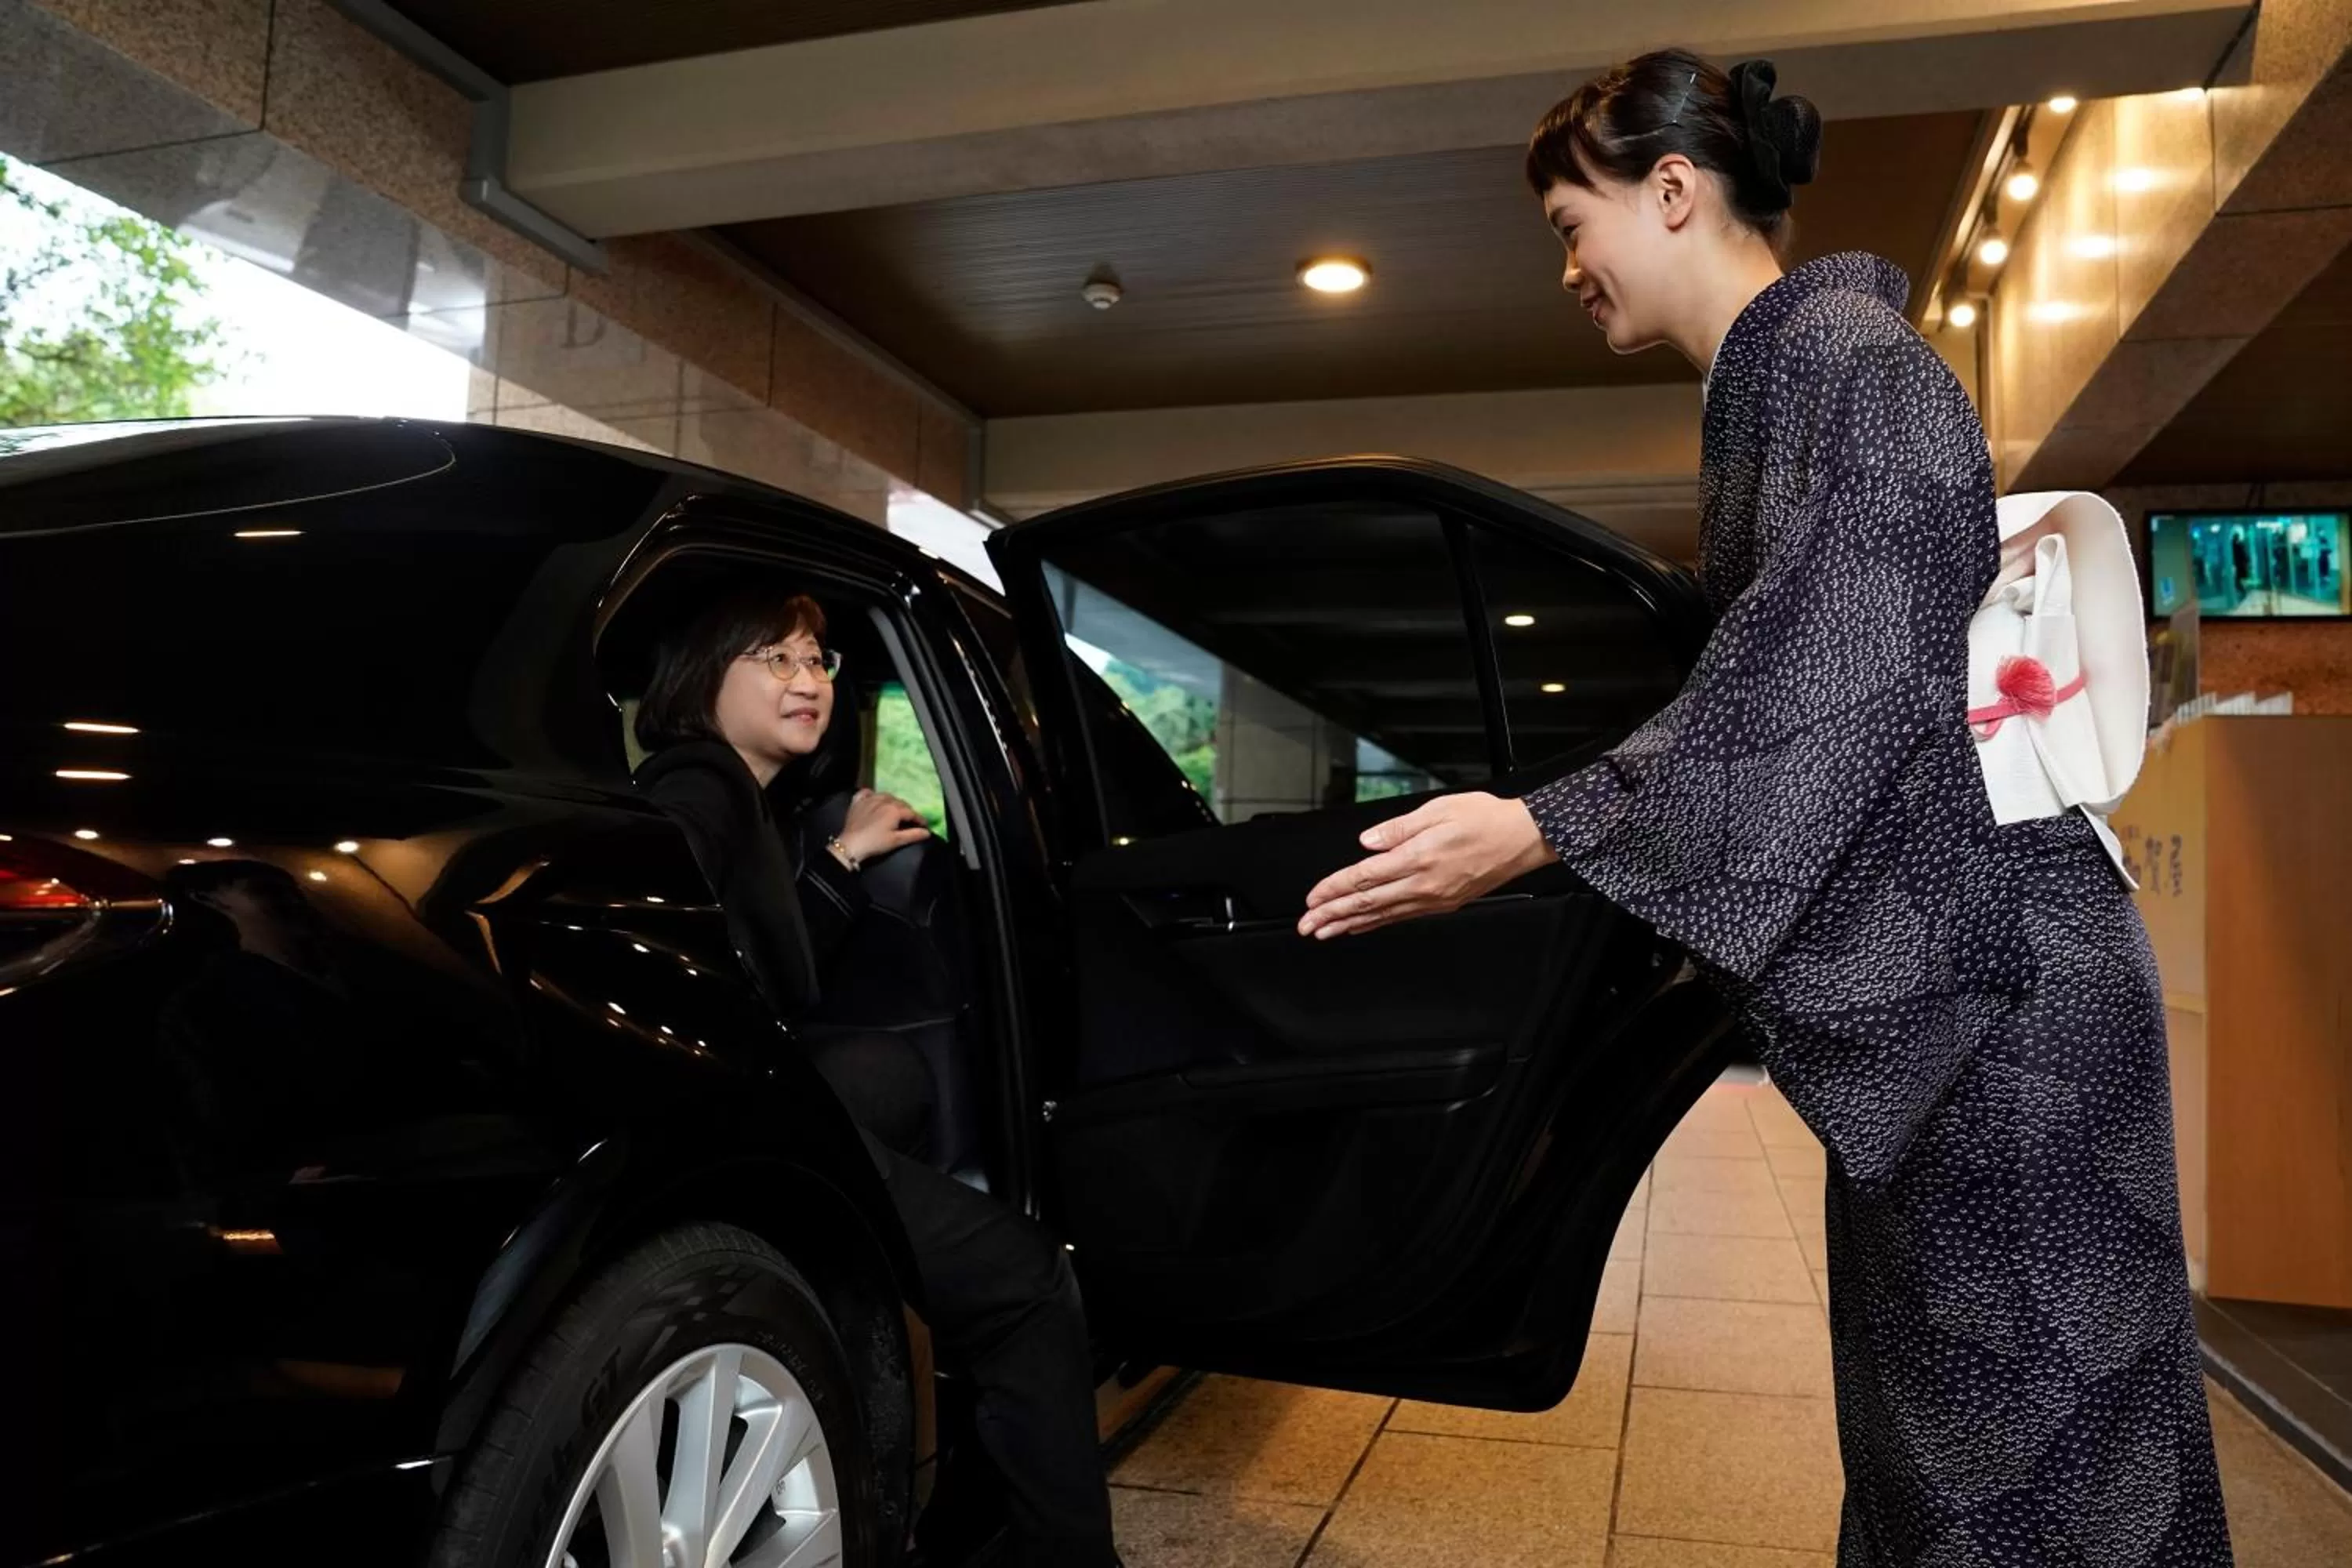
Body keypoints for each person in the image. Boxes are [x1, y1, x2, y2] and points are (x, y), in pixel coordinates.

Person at [1298, 49, 2233, 1568]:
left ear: (1670, 190)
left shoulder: (1846, 355)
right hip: (1982, 977)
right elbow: (1796, 667)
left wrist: (1543, 826)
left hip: (2005, 990)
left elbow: (1842, 665)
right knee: (1961, 1430)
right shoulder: (1802, 371)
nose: (1570, 266)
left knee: (2032, 1445)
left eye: (1568, 220)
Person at [633, 587, 1120, 1568]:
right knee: (1028, 1278)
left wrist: (843, 860)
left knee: (888, 1067)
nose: (808, 680)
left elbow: (777, 966)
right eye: (774, 657)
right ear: (701, 679)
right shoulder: (697, 789)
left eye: (817, 661)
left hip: (739, 1096)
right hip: (732, 1112)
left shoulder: (743, 796)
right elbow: (698, 970)